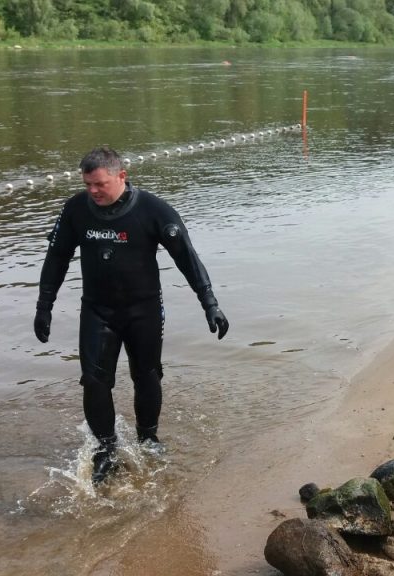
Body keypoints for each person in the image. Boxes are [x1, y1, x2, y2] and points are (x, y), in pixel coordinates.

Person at [33, 146, 229, 484]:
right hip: (98, 310)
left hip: (144, 309)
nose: (93, 192)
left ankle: (148, 438)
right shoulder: (76, 210)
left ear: (121, 176)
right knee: (94, 382)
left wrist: (209, 302)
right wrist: (43, 306)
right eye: (87, 185)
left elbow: (188, 258)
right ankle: (106, 449)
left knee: (147, 375)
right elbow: (57, 259)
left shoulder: (153, 210)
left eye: (100, 184)